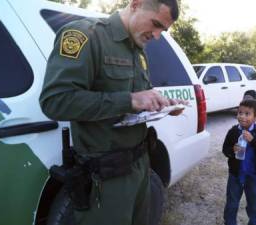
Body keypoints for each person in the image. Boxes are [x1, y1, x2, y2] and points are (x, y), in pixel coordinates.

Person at [39, 0, 181, 225]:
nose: (156, 36)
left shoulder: (138, 52)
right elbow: (55, 101)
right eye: (155, 24)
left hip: (141, 167)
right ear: (136, 4)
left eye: (162, 30)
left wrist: (161, 104)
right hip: (106, 179)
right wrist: (130, 100)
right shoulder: (86, 35)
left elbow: (137, 102)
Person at [222, 99, 256, 225]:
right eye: (240, 112)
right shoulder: (233, 131)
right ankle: (229, 222)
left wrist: (253, 140)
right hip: (235, 175)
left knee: (254, 203)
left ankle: (255, 222)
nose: (242, 116)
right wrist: (232, 150)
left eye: (247, 114)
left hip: (253, 176)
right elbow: (225, 149)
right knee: (232, 202)